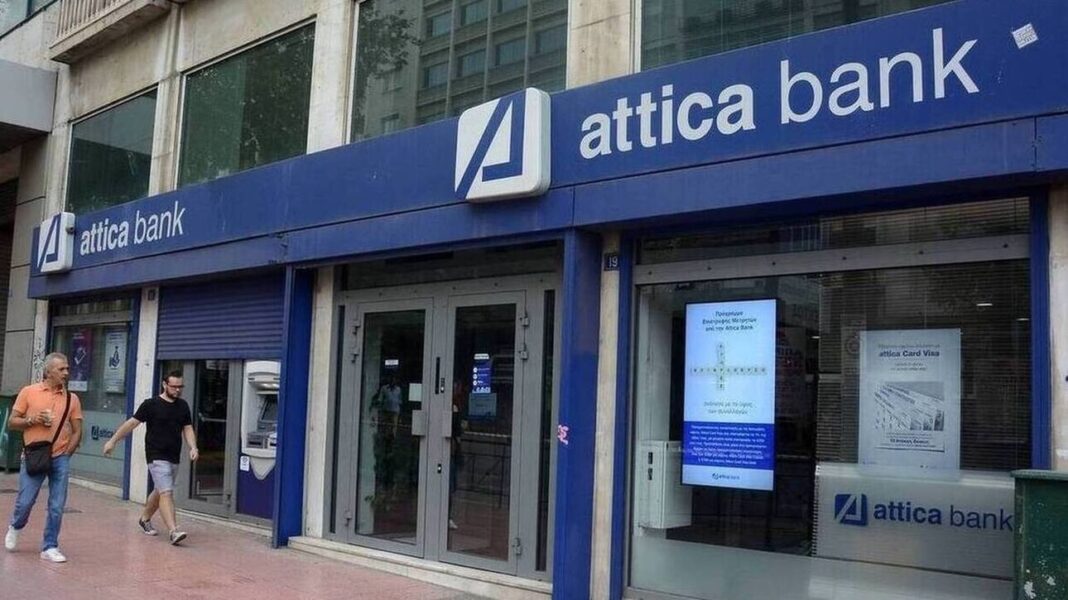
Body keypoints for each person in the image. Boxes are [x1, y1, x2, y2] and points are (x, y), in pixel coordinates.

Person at [4, 352, 84, 563]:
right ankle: (16, 525)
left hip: (60, 457)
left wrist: (67, 453)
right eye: (61, 369)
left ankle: (50, 546)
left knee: (57, 505)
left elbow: (77, 430)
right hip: (34, 454)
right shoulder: (29, 392)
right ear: (48, 371)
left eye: (67, 369)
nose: (66, 373)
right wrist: (32, 420)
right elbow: (12, 422)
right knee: (26, 501)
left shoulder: (72, 399)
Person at [103, 371, 198, 545]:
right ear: (164, 385)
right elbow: (132, 423)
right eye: (174, 387)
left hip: (173, 455)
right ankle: (173, 531)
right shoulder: (151, 404)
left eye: (180, 387)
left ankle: (145, 518)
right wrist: (112, 441)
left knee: (160, 490)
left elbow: (187, 428)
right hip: (156, 455)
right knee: (166, 492)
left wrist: (193, 447)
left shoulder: (183, 406)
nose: (177, 390)